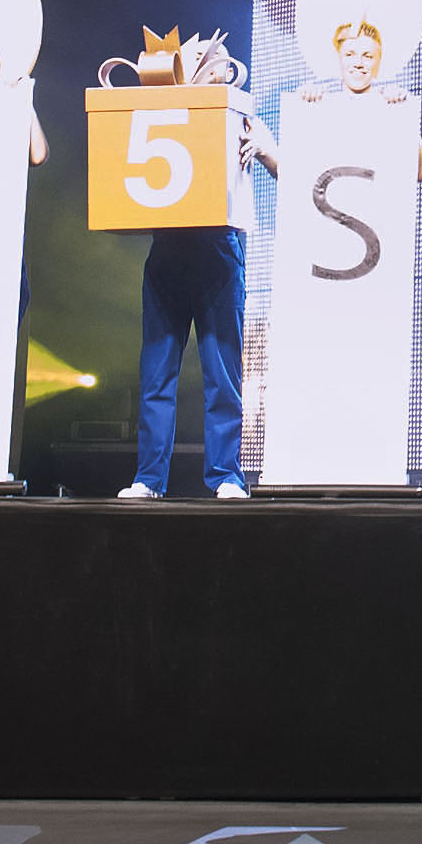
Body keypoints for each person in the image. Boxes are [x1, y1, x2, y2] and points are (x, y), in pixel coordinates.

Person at [121, 34, 275, 503]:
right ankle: (149, 480)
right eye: (208, 61)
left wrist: (265, 147)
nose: (219, 67)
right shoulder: (163, 112)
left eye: (224, 62)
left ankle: (227, 476)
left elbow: (285, 169)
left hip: (218, 253)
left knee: (222, 374)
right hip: (168, 251)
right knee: (157, 374)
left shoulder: (241, 115)